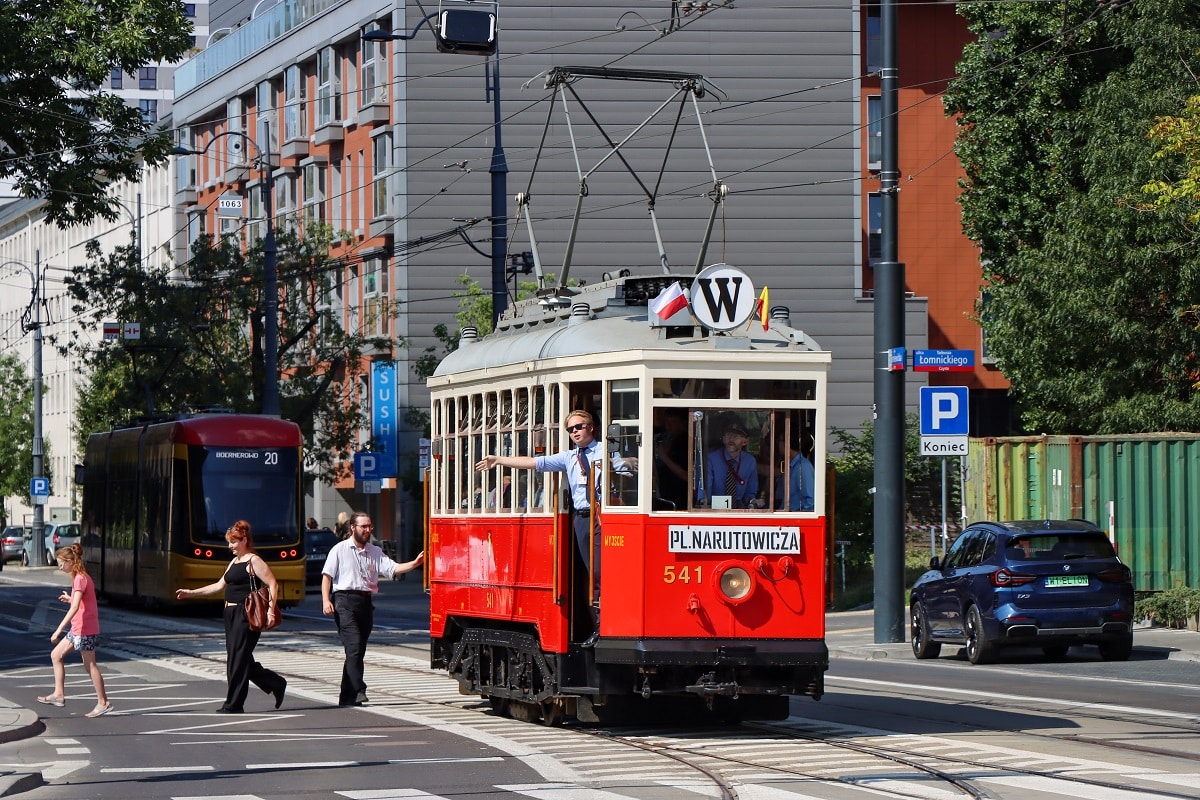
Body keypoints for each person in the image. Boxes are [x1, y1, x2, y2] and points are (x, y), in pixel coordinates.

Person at [474, 409, 637, 645]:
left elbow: (627, 473)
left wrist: (628, 467)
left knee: (602, 572)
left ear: (591, 427)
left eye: (578, 427)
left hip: (603, 516)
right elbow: (534, 462)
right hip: (581, 519)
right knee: (589, 574)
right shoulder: (569, 457)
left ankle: (607, 626)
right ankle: (598, 626)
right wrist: (499, 460)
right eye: (570, 430)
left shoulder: (606, 451)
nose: (574, 433)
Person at [175, 520, 287, 714]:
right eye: (229, 542)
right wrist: (191, 593)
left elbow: (273, 584)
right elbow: (218, 586)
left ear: (244, 540)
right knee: (240, 658)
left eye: (233, 542)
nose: (230, 547)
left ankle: (234, 704)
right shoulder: (234, 562)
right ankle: (276, 683)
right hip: (230, 614)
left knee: (237, 659)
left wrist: (270, 611)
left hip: (246, 614)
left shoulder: (254, 560)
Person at [321, 511, 425, 706]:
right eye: (363, 527)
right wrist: (326, 600)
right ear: (353, 527)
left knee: (358, 650)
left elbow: (392, 568)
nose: (367, 530)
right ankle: (359, 689)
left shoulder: (374, 551)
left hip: (365, 602)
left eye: (370, 527)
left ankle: (347, 696)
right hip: (344, 601)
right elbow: (327, 576)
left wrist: (414, 563)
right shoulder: (339, 549)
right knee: (353, 646)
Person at [37, 543, 113, 717]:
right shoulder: (81, 576)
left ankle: (103, 702)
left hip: (84, 628)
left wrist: (57, 630)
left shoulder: (80, 578)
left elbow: (76, 607)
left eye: (61, 563)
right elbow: (81, 600)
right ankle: (58, 695)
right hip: (79, 628)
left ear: (70, 561)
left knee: (90, 665)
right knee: (56, 655)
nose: (60, 567)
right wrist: (70, 598)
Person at [701, 421, 758, 509]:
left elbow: (750, 493)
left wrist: (752, 501)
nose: (731, 439)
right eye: (728, 435)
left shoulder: (750, 461)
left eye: (736, 436)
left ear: (745, 442)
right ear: (723, 438)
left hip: (739, 511)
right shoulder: (711, 459)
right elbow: (705, 491)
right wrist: (704, 503)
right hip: (715, 510)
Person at [654, 408, 690, 510]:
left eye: (673, 422)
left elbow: (687, 475)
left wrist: (664, 456)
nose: (668, 425)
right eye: (666, 421)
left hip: (680, 498)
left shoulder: (686, 443)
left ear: (683, 423)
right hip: (665, 497)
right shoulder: (667, 439)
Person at [777, 432, 815, 512]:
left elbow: (810, 499)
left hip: (795, 518)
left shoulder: (803, 466)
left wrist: (801, 517)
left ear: (786, 443)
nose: (777, 444)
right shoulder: (791, 466)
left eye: (779, 440)